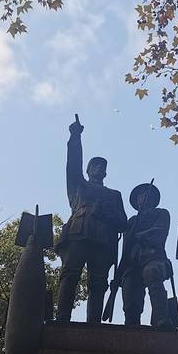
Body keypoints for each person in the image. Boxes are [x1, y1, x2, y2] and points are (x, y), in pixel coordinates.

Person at [55, 115, 127, 323]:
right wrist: (75, 137)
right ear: (88, 170)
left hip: (104, 240)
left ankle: (94, 323)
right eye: (95, 165)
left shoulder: (115, 195)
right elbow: (73, 164)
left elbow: (123, 223)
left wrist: (107, 214)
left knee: (99, 282)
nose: (99, 168)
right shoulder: (79, 185)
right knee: (70, 274)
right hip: (79, 233)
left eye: (102, 166)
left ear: (106, 172)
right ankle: (63, 317)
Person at [120, 181, 172, 328]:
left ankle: (161, 318)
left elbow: (159, 232)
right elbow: (125, 248)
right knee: (129, 286)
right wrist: (120, 272)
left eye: (146, 194)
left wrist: (139, 236)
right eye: (140, 195)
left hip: (154, 258)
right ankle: (131, 325)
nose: (143, 197)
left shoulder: (161, 213)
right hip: (132, 263)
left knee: (152, 272)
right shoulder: (132, 221)